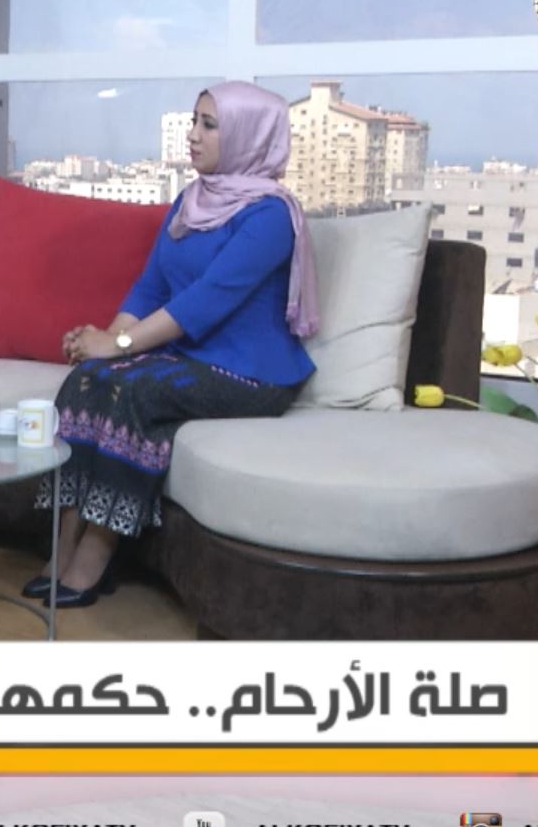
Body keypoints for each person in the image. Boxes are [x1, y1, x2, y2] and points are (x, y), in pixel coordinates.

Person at [28, 81, 320, 606]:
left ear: (248, 136)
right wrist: (102, 342)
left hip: (249, 372)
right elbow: (152, 287)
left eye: (210, 125)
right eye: (194, 121)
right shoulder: (191, 200)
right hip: (187, 355)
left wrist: (117, 345)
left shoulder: (271, 216)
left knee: (133, 393)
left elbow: (203, 303)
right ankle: (60, 545)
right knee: (85, 379)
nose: (193, 135)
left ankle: (97, 554)